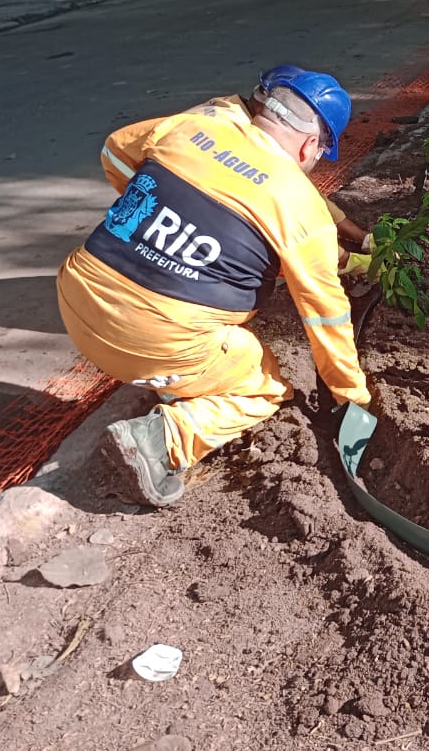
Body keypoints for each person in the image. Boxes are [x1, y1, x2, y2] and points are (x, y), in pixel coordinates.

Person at [56, 67, 373, 508]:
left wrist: (157, 213)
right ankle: (159, 440)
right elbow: (326, 315)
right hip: (151, 342)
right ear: (308, 145)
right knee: (263, 387)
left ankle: (174, 379)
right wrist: (351, 395)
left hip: (77, 301)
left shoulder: (192, 127)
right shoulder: (301, 209)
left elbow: (114, 153)